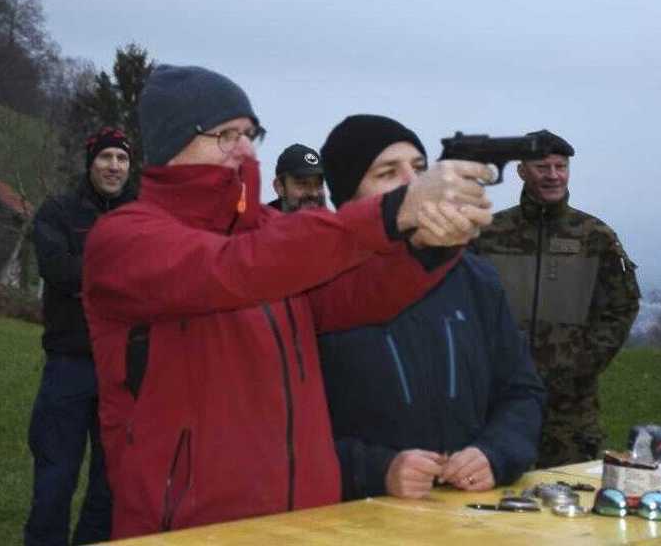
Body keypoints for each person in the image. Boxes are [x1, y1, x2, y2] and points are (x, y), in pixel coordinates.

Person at [81, 64, 494, 538]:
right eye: (225, 134)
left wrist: (431, 244)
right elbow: (235, 268)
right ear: (173, 144)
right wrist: (391, 211)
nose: (245, 147)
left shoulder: (269, 233)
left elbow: (354, 294)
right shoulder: (123, 239)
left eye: (249, 132)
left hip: (305, 520)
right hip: (189, 525)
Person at [317, 114, 546, 500]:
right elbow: (285, 431)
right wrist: (377, 470)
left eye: (421, 168)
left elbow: (521, 392)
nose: (414, 183)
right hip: (358, 520)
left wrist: (494, 453)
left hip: (470, 513)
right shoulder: (318, 287)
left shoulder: (476, 279)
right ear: (349, 199)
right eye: (388, 172)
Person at [471, 130, 640, 468]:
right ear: (521, 171)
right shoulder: (488, 235)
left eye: (560, 166)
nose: (552, 175)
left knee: (571, 501)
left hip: (570, 410)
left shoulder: (595, 236)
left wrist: (580, 366)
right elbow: (464, 306)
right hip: (497, 401)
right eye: (542, 167)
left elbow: (621, 307)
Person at [24, 128, 136, 546]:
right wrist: (122, 272)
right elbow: (58, 269)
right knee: (55, 480)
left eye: (121, 159)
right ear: (90, 162)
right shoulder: (58, 211)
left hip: (123, 369)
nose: (113, 166)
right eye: (106, 157)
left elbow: (155, 273)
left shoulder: (142, 214)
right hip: (69, 363)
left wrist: (90, 272)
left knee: (110, 486)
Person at [267, 143, 325, 211]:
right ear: (279, 187)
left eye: (319, 184)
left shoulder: (331, 220)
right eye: (303, 184)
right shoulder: (262, 220)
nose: (314, 193)